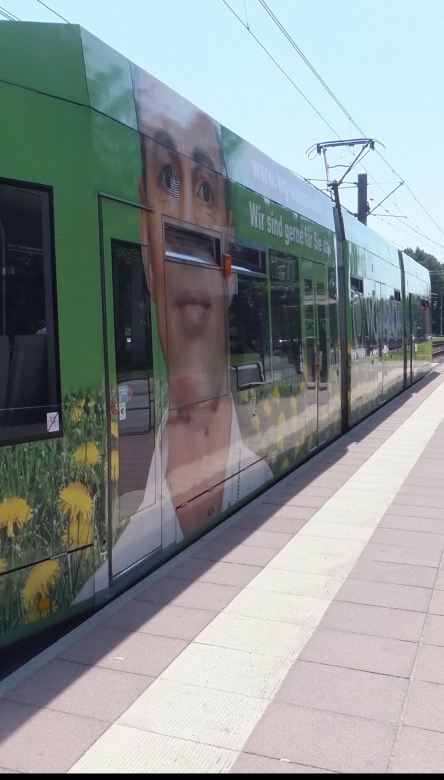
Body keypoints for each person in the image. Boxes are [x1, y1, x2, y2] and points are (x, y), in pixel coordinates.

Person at [130, 67, 273, 536]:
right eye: (167, 177)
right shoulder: (114, 550)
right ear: (146, 253)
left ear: (229, 248)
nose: (187, 223)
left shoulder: (264, 470)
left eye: (206, 189)